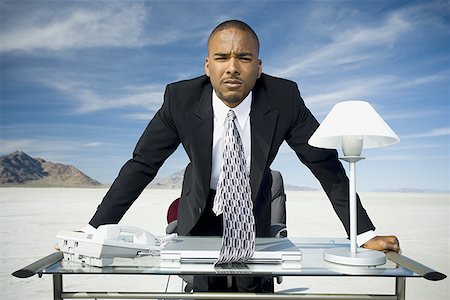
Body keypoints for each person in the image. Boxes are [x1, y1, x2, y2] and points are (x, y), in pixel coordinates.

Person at [84, 20, 400, 292]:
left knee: (254, 288)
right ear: (207, 66)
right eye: (222, 57)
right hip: (199, 210)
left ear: (258, 67)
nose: (232, 67)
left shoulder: (284, 98)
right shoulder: (179, 100)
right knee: (205, 288)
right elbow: (143, 164)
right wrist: (94, 230)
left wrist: (363, 234)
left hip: (254, 209)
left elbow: (324, 163)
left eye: (244, 57)